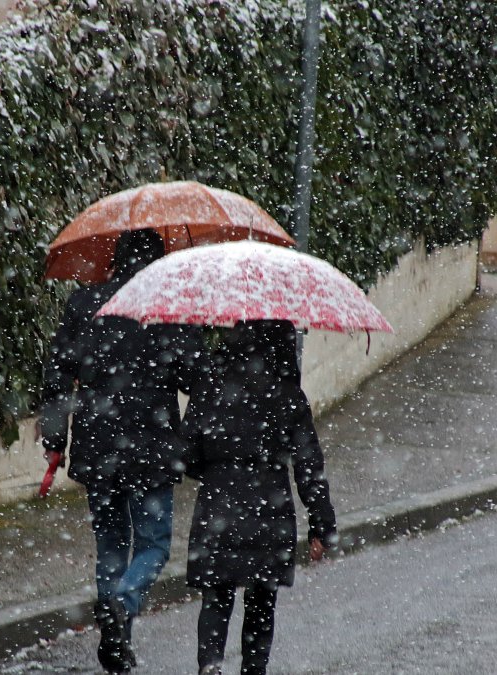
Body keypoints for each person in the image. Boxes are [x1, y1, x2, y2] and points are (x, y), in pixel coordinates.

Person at [40, 228, 204, 673]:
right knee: (152, 545)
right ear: (156, 262)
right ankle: (123, 603)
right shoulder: (168, 308)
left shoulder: (83, 305)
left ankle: (116, 641)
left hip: (98, 448)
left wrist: (55, 440)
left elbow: (56, 376)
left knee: (111, 545)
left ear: (115, 257)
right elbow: (195, 378)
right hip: (152, 447)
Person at [182, 320, 338, 675]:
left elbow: (186, 452)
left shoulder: (209, 385)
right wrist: (321, 524)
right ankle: (254, 669)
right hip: (270, 508)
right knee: (261, 602)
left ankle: (210, 665)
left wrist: (215, 471)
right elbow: (309, 464)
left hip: (217, 505)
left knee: (216, 596)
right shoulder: (287, 394)